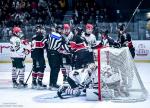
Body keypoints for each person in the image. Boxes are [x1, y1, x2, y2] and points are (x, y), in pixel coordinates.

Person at [46, 24, 70, 90]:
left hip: (49, 54)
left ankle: (51, 83)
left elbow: (43, 42)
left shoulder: (49, 34)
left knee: (53, 69)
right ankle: (53, 84)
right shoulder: (61, 37)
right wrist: (70, 52)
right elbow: (65, 47)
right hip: (56, 54)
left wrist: (49, 48)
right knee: (56, 69)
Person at [31, 25, 47, 89]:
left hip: (34, 54)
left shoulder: (33, 36)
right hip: (39, 55)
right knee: (42, 67)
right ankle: (39, 83)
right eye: (41, 29)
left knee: (35, 68)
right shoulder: (41, 36)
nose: (43, 30)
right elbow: (42, 46)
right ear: (39, 30)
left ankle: (34, 82)